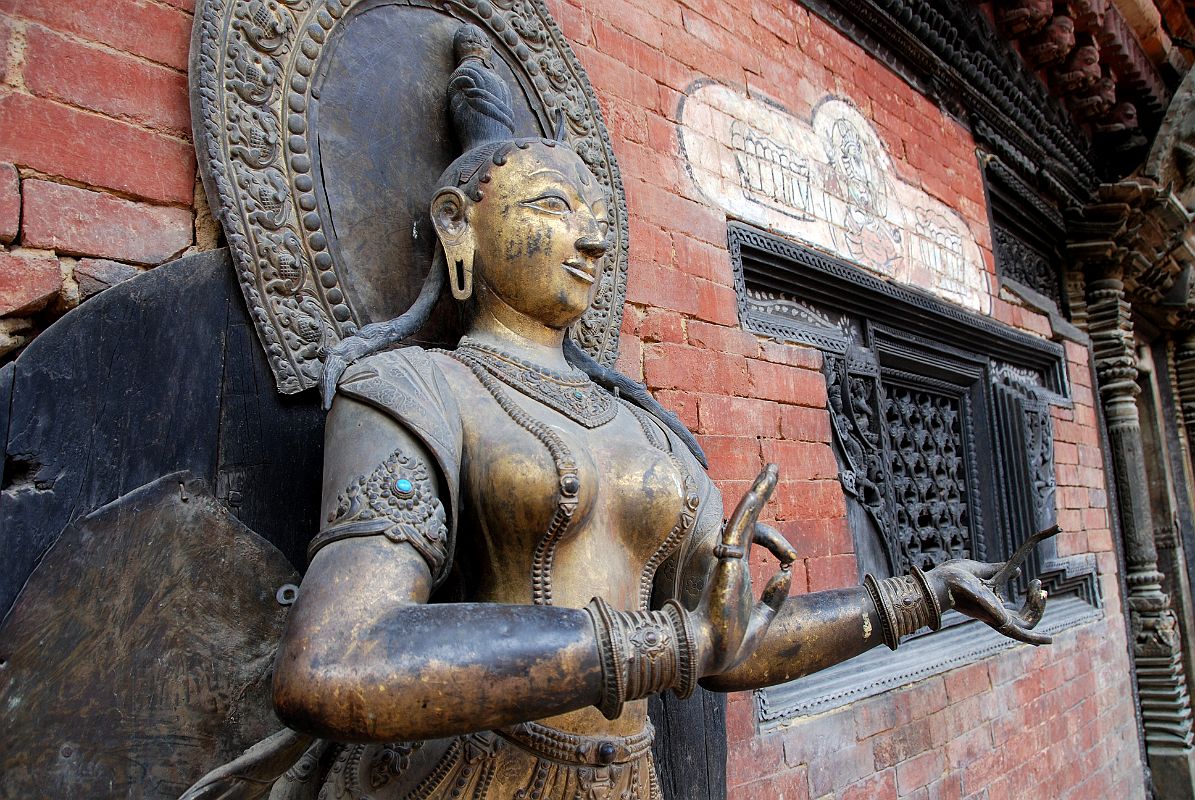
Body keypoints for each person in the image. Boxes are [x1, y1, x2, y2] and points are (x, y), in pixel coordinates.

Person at [183, 24, 1048, 800]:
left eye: (595, 216)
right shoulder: (413, 388)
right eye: (552, 209)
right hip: (465, 777)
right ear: (458, 225)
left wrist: (921, 595)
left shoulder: (648, 429)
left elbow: (729, 643)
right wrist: (662, 646)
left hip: (631, 780)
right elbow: (334, 665)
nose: (591, 239)